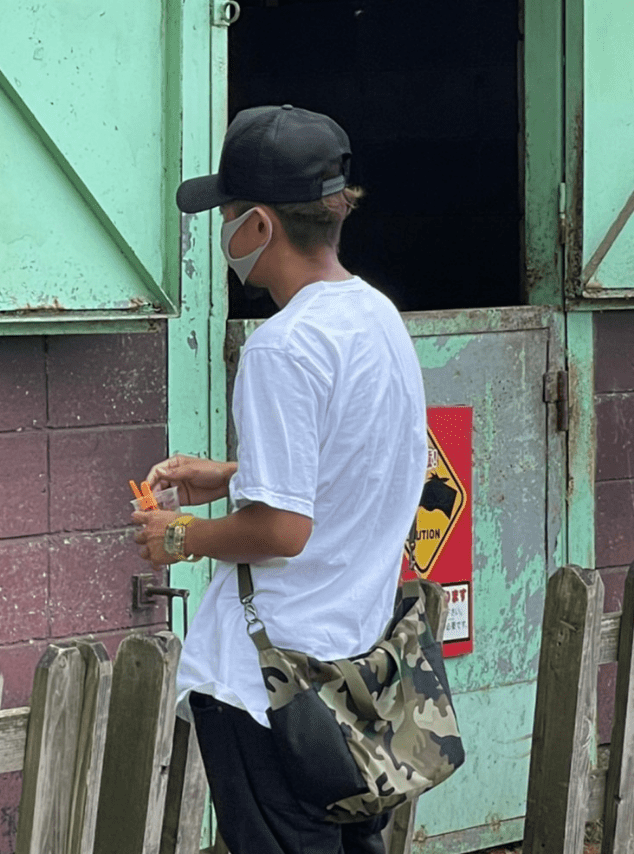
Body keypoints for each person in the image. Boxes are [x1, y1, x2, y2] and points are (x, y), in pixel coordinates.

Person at [131, 104, 427, 854]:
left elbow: (282, 531)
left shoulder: (282, 347)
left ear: (258, 225)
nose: (223, 230)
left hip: (274, 683)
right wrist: (233, 475)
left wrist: (180, 535)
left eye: (229, 213)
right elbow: (361, 461)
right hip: (355, 667)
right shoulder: (378, 318)